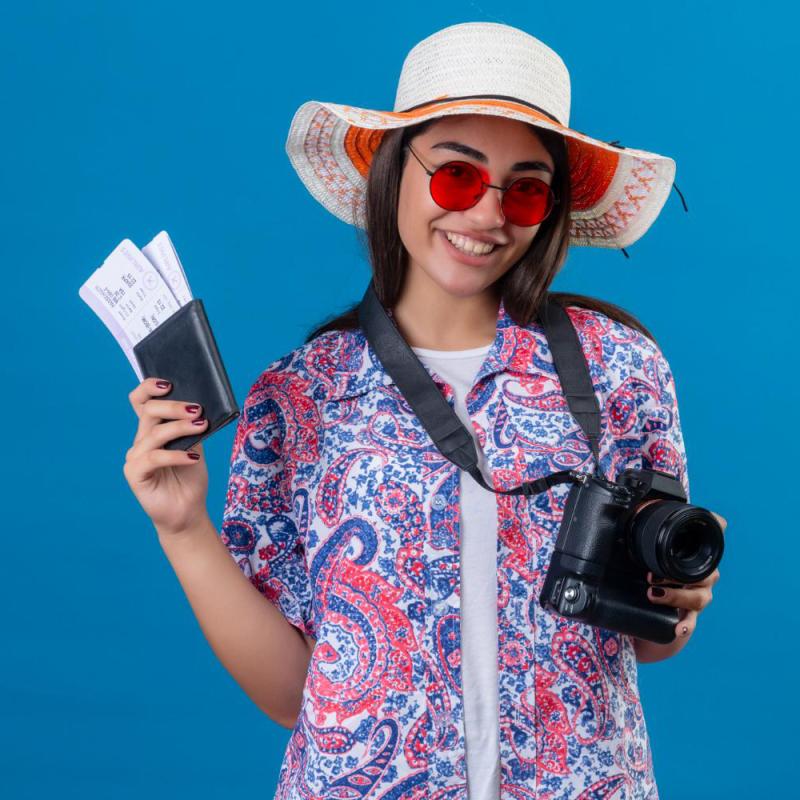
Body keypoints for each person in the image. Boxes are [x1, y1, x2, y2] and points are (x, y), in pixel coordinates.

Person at [123, 21, 725, 800]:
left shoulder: (621, 369)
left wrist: (680, 605)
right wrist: (183, 528)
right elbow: (292, 695)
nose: (486, 215)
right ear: (391, 170)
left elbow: (645, 645)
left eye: (527, 188)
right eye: (457, 176)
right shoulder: (301, 396)